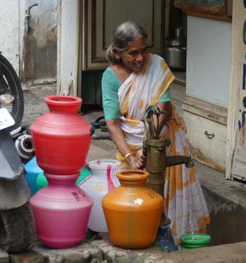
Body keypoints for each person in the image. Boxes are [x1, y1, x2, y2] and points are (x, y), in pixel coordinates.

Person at [101, 21, 210, 245]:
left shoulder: (157, 66)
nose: (141, 58)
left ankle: (174, 241)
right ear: (118, 53)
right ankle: (137, 241)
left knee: (167, 199)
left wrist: (147, 145)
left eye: (144, 50)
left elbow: (162, 109)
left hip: (163, 139)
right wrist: (132, 157)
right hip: (129, 146)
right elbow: (112, 124)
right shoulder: (110, 77)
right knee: (133, 200)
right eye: (133, 53)